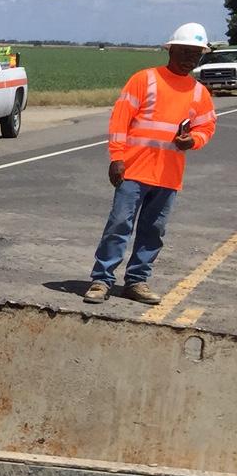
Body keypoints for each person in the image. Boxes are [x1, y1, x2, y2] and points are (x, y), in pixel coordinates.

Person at [84, 22, 219, 305]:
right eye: (185, 51)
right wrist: (117, 157)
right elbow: (120, 119)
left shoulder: (199, 93)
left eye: (196, 54)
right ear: (171, 50)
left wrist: (192, 141)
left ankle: (136, 281)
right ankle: (102, 279)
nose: (190, 59)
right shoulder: (145, 80)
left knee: (153, 231)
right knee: (119, 224)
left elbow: (207, 127)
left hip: (168, 176)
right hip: (133, 170)